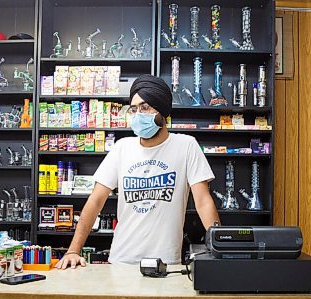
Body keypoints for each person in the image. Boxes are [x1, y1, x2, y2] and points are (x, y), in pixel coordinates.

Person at [55, 74, 220, 269]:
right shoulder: (122, 148)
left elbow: (203, 202)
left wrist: (220, 251)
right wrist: (73, 250)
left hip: (166, 263)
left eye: (145, 107)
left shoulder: (186, 146)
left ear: (162, 112)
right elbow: (95, 200)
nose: (138, 114)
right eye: (133, 109)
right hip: (122, 260)